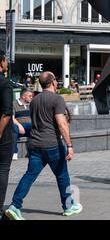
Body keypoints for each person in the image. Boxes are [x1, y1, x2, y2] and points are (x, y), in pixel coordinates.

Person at [5, 71, 82, 220]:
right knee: (62, 176)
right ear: (53, 82)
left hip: (34, 145)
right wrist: (69, 145)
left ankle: (15, 206)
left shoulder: (34, 100)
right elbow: (61, 123)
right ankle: (68, 207)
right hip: (52, 144)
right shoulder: (57, 99)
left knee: (29, 175)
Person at [0, 50, 13, 219]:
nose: (7, 63)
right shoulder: (5, 84)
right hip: (3, 137)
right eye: (6, 60)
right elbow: (7, 113)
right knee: (2, 170)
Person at [12, 88, 33, 160]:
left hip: (30, 127)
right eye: (30, 96)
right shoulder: (14, 104)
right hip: (18, 126)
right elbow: (12, 118)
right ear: (23, 96)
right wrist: (19, 125)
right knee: (13, 128)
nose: (31, 97)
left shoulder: (32, 104)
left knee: (36, 127)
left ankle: (33, 152)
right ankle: (14, 153)